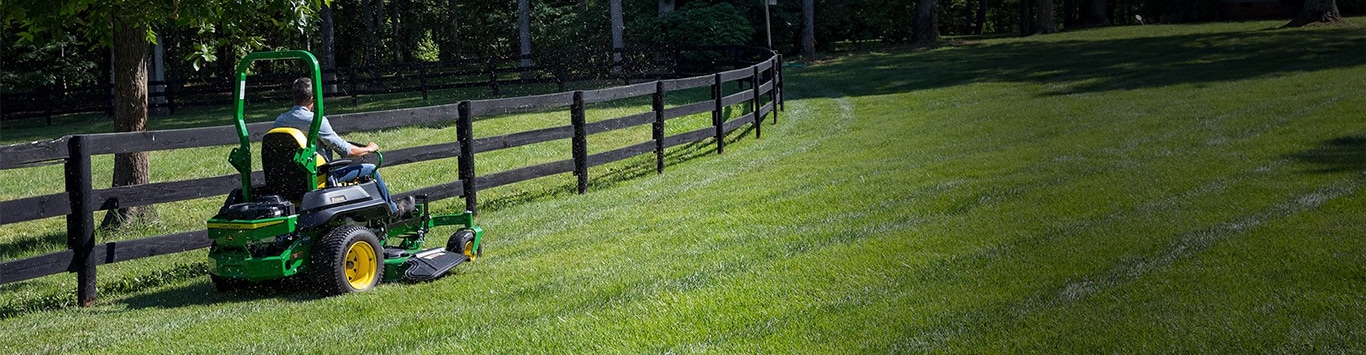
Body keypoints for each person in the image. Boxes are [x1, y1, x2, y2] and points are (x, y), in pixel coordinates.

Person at [273, 77, 412, 216]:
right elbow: (347, 150)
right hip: (318, 178)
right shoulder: (315, 120)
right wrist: (367, 149)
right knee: (370, 169)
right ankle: (394, 210)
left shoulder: (280, 120)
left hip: (289, 182)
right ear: (312, 98)